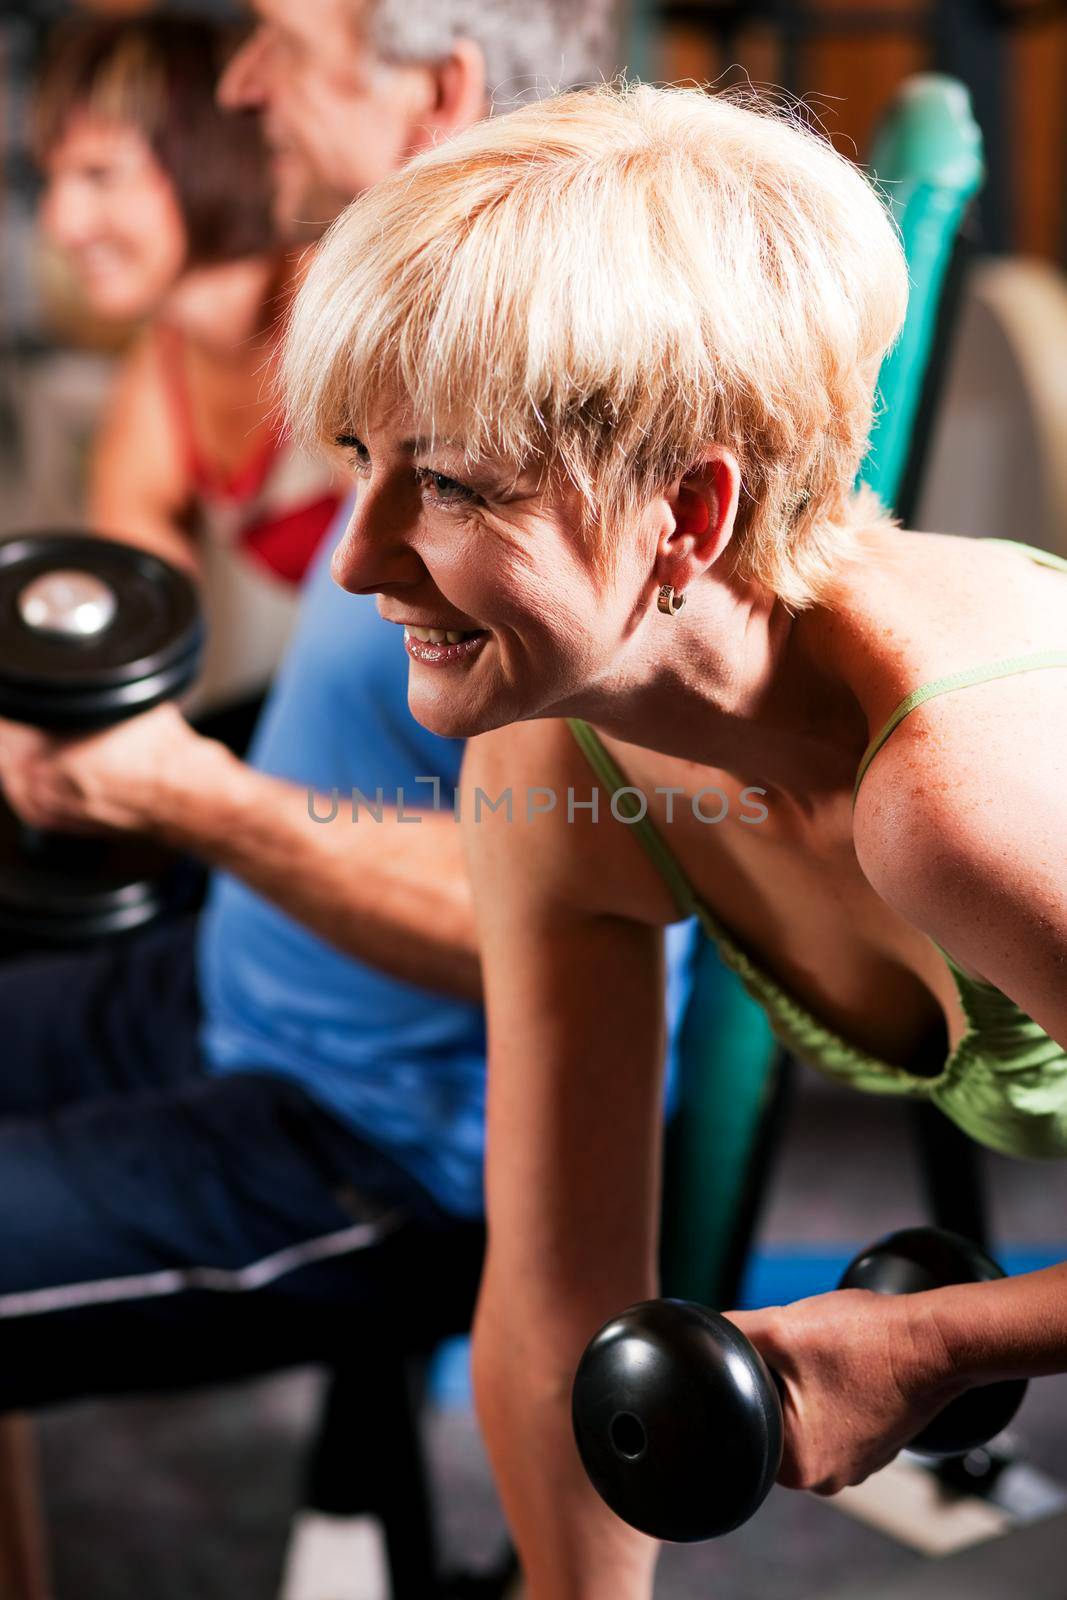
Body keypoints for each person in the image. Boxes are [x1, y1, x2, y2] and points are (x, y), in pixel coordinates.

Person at [282, 80, 1067, 1599]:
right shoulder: (552, 761)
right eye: (358, 458)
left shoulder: (964, 797)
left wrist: (939, 1340)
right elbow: (554, 1298)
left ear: (687, 512)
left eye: (444, 483)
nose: (362, 555)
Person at [0, 4, 701, 1591]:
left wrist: (187, 792)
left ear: (436, 94)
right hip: (221, 990)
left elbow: (556, 914)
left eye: (280, 44)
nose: (239, 79)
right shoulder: (416, 376)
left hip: (360, 1142)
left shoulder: (546, 440)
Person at [34, 13, 345, 713]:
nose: (61, 223)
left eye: (99, 175)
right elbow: (137, 635)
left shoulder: (336, 308)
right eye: (54, 180)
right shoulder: (157, 375)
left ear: (211, 152)